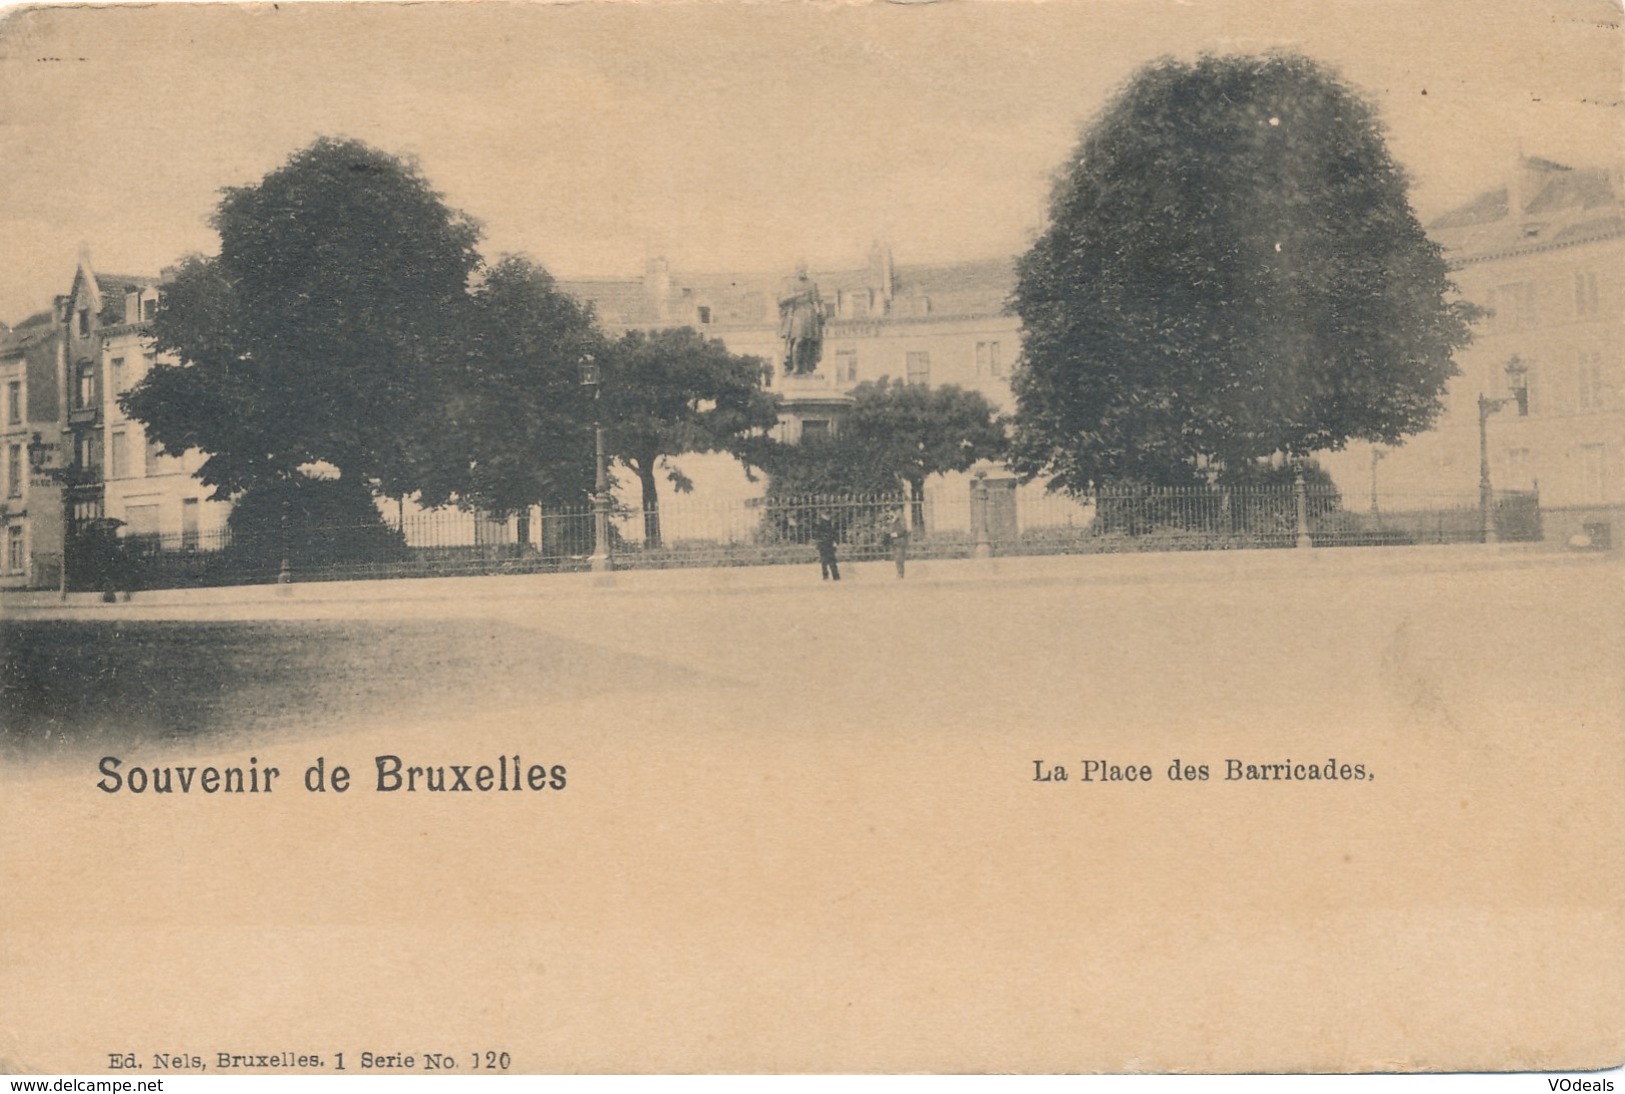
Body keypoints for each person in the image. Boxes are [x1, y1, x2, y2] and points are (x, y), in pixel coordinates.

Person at [777, 263, 825, 375]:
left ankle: (806, 368)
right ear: (796, 269)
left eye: (804, 269)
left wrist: (820, 312)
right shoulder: (789, 283)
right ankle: (795, 367)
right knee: (798, 339)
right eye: (800, 269)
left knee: (809, 340)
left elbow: (816, 300)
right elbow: (781, 300)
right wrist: (796, 295)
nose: (802, 271)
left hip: (809, 313)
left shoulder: (812, 283)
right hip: (796, 313)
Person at [884, 510, 910, 579]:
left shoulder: (900, 520)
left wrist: (892, 535)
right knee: (897, 558)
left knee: (899, 558)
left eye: (890, 512)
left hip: (900, 542)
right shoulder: (893, 520)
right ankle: (899, 573)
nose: (889, 513)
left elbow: (903, 531)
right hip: (895, 542)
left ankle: (900, 574)